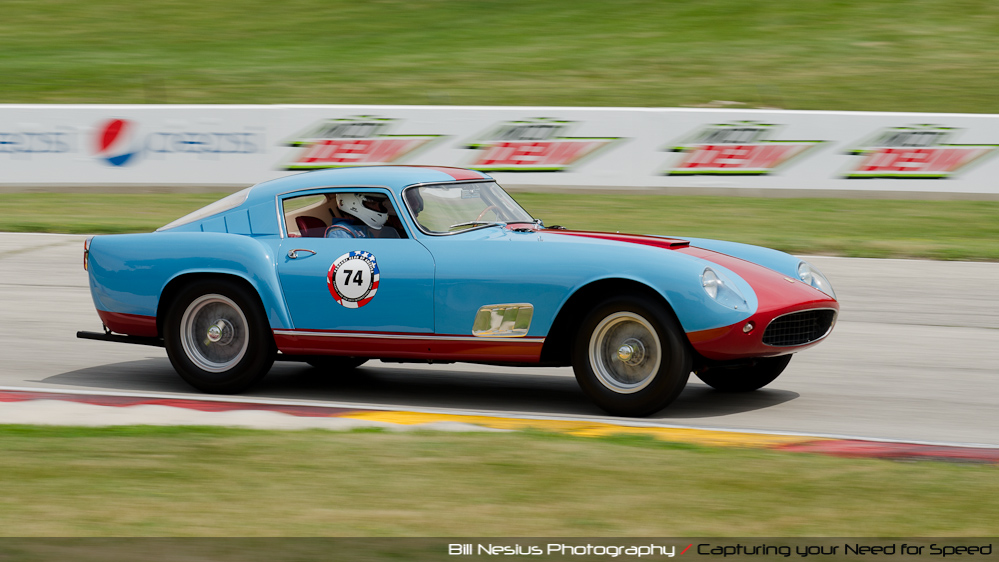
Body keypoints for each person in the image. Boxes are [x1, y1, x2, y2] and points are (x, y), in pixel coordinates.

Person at [325, 193, 400, 239]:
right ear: (353, 203)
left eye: (379, 205)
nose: (378, 209)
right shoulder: (340, 232)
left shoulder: (363, 230)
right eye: (372, 204)